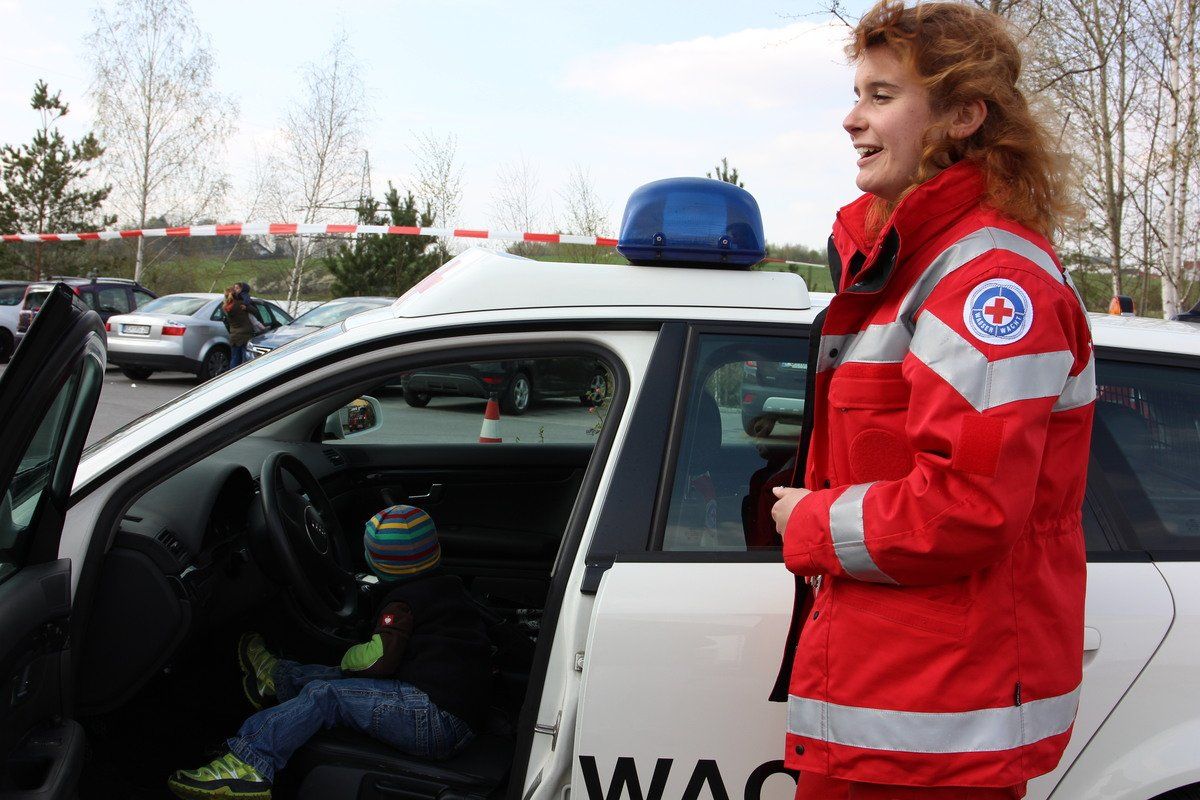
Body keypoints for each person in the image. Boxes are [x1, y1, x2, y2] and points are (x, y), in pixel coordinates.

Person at [768, 2, 1095, 798]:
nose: (851, 118)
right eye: (857, 93)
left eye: (881, 96)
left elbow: (967, 506)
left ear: (961, 117)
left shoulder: (990, 284)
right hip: (896, 707)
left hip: (934, 726)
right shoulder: (916, 266)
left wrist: (809, 521)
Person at [167, 505, 492, 800]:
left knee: (326, 695)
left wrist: (350, 656)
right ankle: (276, 679)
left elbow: (379, 660)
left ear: (375, 562)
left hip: (432, 720)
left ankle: (249, 764)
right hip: (456, 715)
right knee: (339, 678)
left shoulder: (402, 605)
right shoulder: (448, 588)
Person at [222, 284, 255, 369]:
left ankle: (232, 375)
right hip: (245, 336)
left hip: (234, 336)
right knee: (245, 361)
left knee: (234, 359)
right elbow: (255, 311)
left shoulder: (226, 306)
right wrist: (247, 307)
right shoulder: (241, 304)